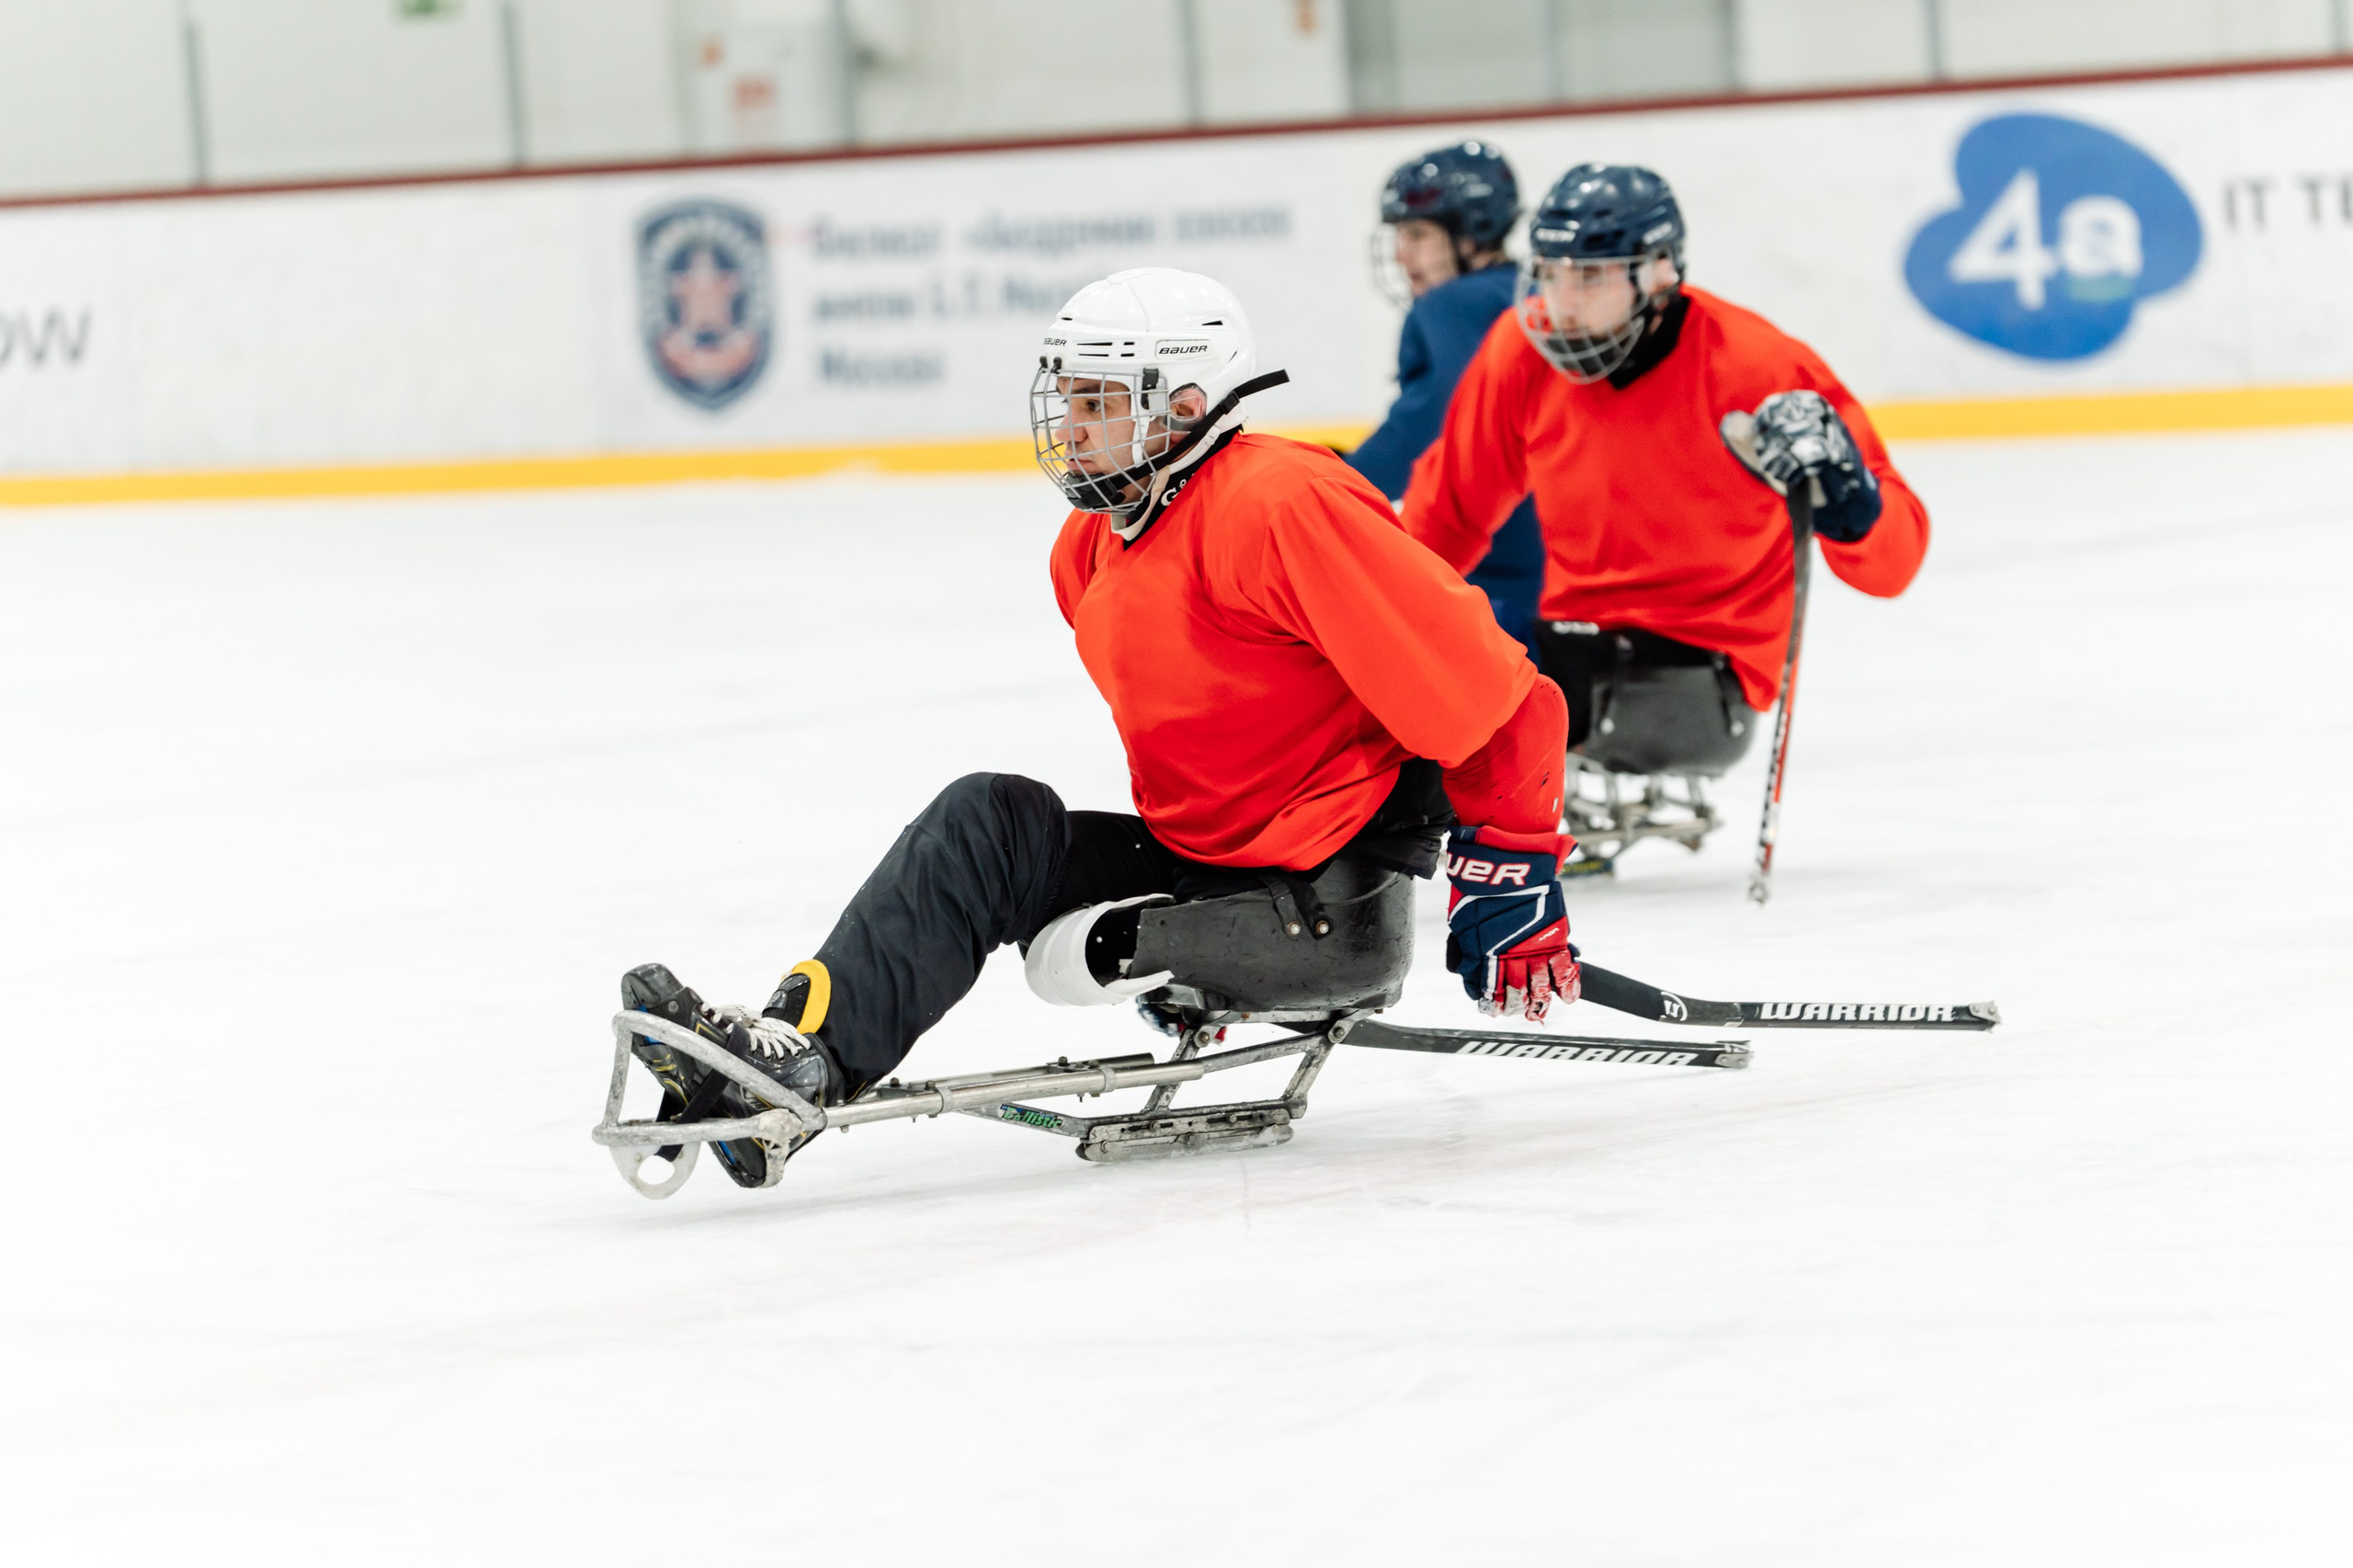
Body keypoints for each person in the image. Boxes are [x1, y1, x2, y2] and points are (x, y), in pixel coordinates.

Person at [621, 267, 1578, 1190]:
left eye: (1098, 402)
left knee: (1083, 936)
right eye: (1066, 398)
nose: (1069, 427)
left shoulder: (1282, 506)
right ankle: (791, 1061)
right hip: (1201, 867)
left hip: (1322, 904)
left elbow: (1504, 703)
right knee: (987, 821)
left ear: (1184, 405)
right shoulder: (1087, 549)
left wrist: (1513, 873)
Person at [1402, 164, 1929, 803]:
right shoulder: (1524, 349)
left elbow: (1893, 568)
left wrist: (1850, 500)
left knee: (1489, 652)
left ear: (1658, 272)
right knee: (1430, 641)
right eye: (1552, 275)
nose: (1563, 303)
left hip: (1704, 679)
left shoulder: (1756, 367)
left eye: (1589, 278)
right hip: (1572, 648)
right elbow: (1446, 514)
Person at [1347, 141, 1545, 654]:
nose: (1401, 254)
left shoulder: (1449, 305)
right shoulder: (1544, 297)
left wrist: (1337, 483)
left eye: (1417, 235)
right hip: (1559, 584)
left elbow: (1432, 420)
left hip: (1489, 590)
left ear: (1473, 233)